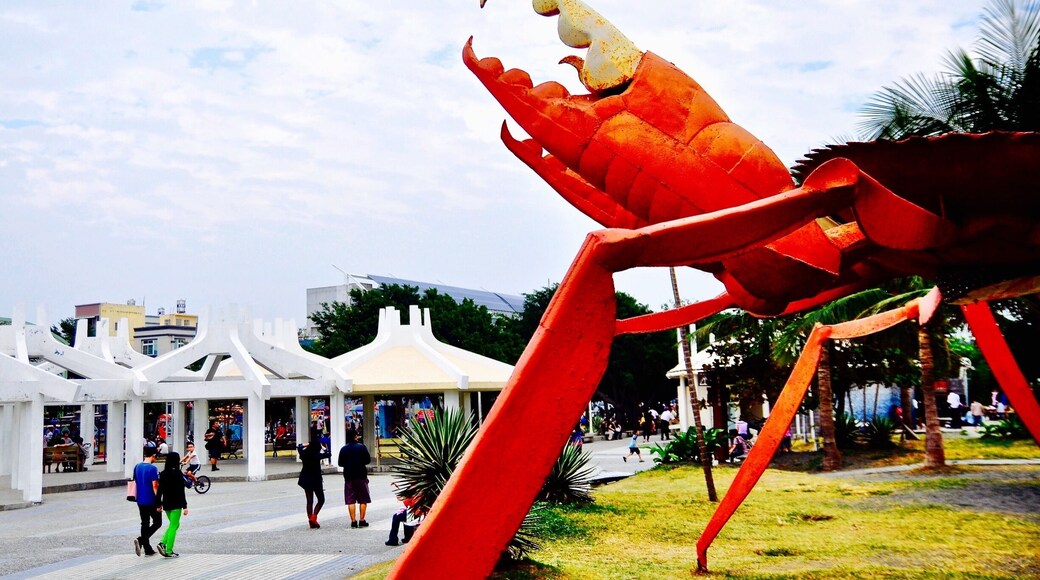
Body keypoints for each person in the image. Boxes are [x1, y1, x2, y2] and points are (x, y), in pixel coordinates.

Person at [156, 451, 188, 558]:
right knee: (174, 526)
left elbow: (159, 491)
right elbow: (181, 491)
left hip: (167, 504)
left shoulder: (163, 474)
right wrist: (185, 506)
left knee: (174, 525)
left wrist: (158, 504)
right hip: (176, 504)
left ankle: (163, 543)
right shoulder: (178, 474)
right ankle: (168, 550)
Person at [338, 428, 372, 528]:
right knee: (363, 499)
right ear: (355, 436)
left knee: (350, 500)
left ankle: (353, 521)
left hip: (348, 477)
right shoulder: (362, 447)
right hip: (361, 476)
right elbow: (368, 460)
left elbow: (340, 463)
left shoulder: (343, 449)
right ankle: (362, 520)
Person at [132, 447, 162, 557]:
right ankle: (141, 540)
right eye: (156, 457)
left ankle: (148, 549)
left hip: (140, 500)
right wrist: (159, 501)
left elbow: (136, 481)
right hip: (151, 500)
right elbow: (155, 485)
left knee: (145, 523)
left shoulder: (137, 467)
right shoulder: (152, 468)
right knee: (158, 522)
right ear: (153, 455)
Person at [298, 436, 331, 529]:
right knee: (321, 500)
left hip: (305, 479)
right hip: (316, 479)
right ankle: (314, 517)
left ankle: (310, 520)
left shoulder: (304, 453)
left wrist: (308, 444)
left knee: (309, 501)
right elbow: (329, 453)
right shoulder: (318, 455)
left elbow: (299, 446)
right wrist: (323, 446)